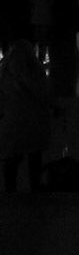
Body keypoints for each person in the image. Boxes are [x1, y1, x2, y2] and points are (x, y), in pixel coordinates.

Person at [1, 38, 56, 193]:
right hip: (33, 121)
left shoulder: (5, 70)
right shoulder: (34, 69)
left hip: (11, 120)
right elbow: (42, 92)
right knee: (34, 156)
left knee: (12, 158)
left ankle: (10, 192)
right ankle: (35, 189)